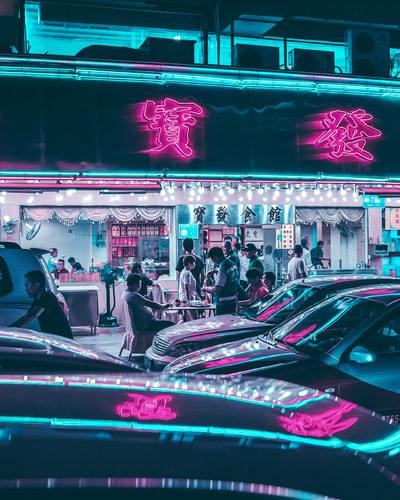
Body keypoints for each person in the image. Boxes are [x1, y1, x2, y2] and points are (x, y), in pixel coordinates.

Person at [11, 270, 73, 339]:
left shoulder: (47, 297)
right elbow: (27, 316)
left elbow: (32, 315)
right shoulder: (38, 298)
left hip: (62, 340)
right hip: (55, 338)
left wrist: (10, 330)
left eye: (27, 285)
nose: (26, 289)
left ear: (36, 285)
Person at [123, 273, 174, 346]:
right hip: (146, 325)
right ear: (135, 283)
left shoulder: (126, 293)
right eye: (139, 283)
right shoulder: (133, 295)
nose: (140, 286)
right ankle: (165, 347)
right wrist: (165, 305)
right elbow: (153, 304)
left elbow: (145, 302)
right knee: (171, 325)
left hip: (141, 325)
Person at [203, 246, 240, 315]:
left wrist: (206, 288)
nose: (213, 262)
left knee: (222, 324)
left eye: (213, 259)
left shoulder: (223, 267)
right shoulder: (232, 263)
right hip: (233, 300)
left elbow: (217, 288)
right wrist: (215, 271)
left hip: (223, 303)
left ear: (216, 257)